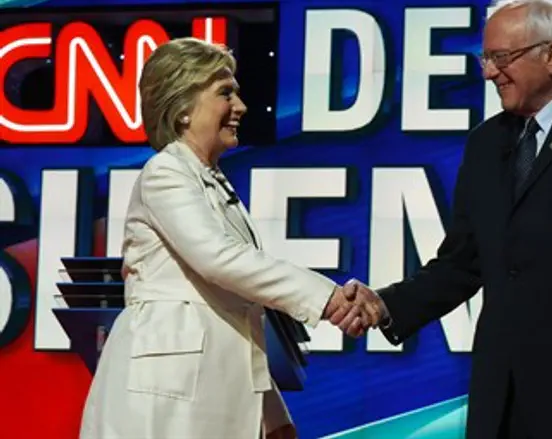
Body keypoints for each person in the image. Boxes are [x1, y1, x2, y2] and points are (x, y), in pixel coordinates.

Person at [334, 1, 552, 438]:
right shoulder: (486, 143)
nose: (489, 73)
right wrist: (384, 305)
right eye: (485, 59)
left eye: (501, 58)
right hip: (500, 400)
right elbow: (461, 263)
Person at [79, 38, 377, 439]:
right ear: (183, 107)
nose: (240, 106)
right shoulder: (165, 172)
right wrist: (328, 298)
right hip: (163, 398)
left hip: (207, 391)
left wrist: (274, 416)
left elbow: (236, 311)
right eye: (225, 93)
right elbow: (219, 259)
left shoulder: (213, 182)